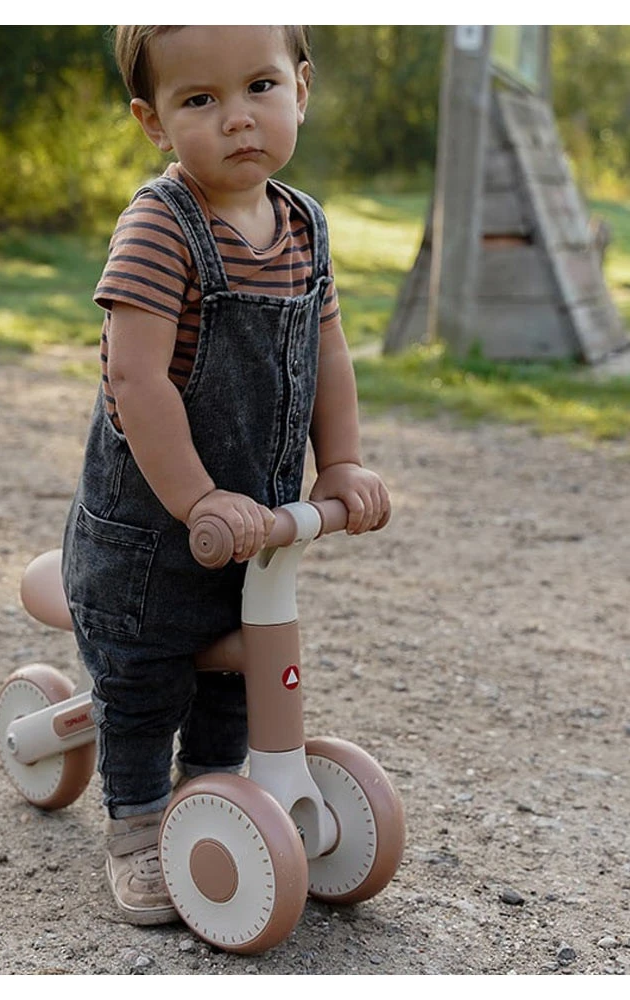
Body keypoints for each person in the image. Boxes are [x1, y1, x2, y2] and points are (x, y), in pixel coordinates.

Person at [60, 24, 391, 925]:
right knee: (144, 680)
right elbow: (135, 379)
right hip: (153, 535)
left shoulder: (304, 226)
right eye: (201, 100)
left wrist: (342, 462)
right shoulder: (160, 226)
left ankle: (212, 796)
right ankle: (138, 825)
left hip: (251, 530)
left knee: (238, 676)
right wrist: (197, 497)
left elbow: (328, 351)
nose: (237, 118)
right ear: (153, 121)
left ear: (301, 89)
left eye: (260, 87)